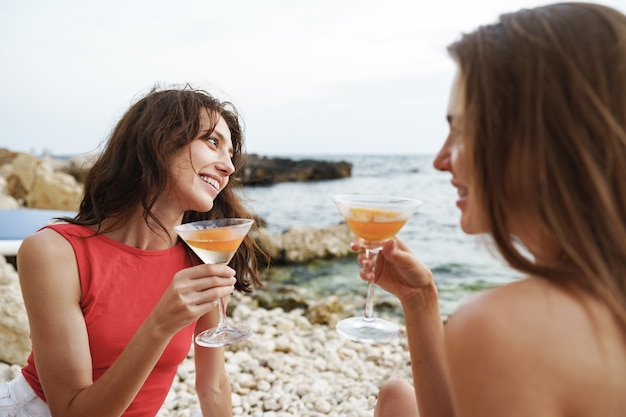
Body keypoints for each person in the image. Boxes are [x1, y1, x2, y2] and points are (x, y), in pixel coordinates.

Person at [362, 3, 626, 416]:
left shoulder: (504, 326)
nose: (440, 159)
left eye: (463, 128)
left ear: (542, 138)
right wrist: (419, 299)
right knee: (398, 396)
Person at [0, 85, 265, 416]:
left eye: (230, 153)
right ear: (158, 141)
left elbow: (212, 384)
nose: (228, 167)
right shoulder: (55, 252)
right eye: (212, 142)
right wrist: (160, 325)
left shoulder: (202, 258)